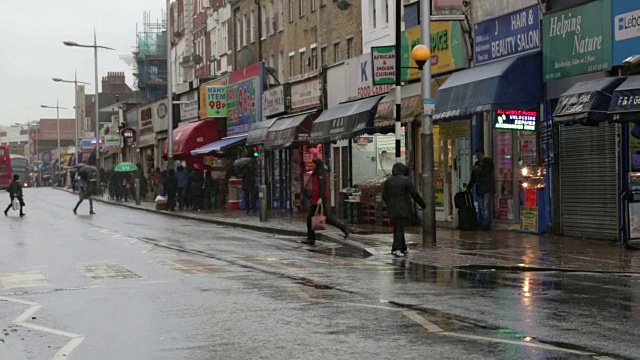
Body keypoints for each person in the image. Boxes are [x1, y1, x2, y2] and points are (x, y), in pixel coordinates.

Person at [382, 163, 426, 257]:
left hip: (392, 208)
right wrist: (423, 204)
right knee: (399, 229)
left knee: (397, 227)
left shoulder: (388, 181)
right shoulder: (406, 180)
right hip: (402, 208)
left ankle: (403, 247)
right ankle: (396, 249)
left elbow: (384, 195)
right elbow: (415, 194)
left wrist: (389, 204)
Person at [304, 158, 349, 245]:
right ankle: (311, 238)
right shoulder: (316, 172)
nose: (312, 165)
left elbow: (322, 185)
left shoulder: (320, 172)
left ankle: (311, 238)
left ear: (317, 164)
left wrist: (320, 197)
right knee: (324, 218)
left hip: (319, 199)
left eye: (313, 164)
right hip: (316, 198)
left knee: (313, 218)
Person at [467, 150, 495, 230]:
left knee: (486, 206)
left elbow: (489, 173)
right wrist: (469, 187)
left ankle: (487, 222)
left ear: (483, 155)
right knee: (482, 206)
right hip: (480, 189)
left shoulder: (488, 163)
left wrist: (480, 169)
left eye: (479, 155)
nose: (478, 158)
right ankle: (484, 222)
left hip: (487, 188)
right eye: (477, 156)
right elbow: (473, 178)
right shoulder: (476, 165)